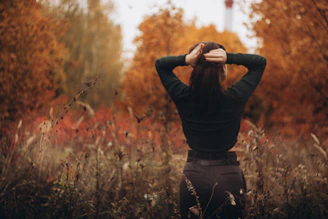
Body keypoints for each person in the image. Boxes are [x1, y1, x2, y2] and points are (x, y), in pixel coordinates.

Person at [155, 42, 266, 219]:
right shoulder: (234, 98)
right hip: (228, 176)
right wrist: (229, 57)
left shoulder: (183, 97)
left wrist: (185, 59)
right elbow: (260, 62)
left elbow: (161, 64)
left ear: (194, 69)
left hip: (193, 175)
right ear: (222, 69)